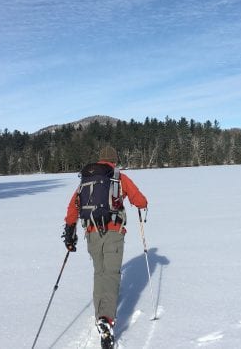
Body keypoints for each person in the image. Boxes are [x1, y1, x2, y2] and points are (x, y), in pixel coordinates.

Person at [62, 146, 148, 348]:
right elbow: (139, 200)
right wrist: (143, 204)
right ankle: (106, 320)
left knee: (99, 273)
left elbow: (73, 207)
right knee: (111, 274)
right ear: (114, 160)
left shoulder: (87, 180)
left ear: (100, 159)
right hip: (113, 232)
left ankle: (100, 314)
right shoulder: (119, 177)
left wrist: (69, 232)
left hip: (91, 233)